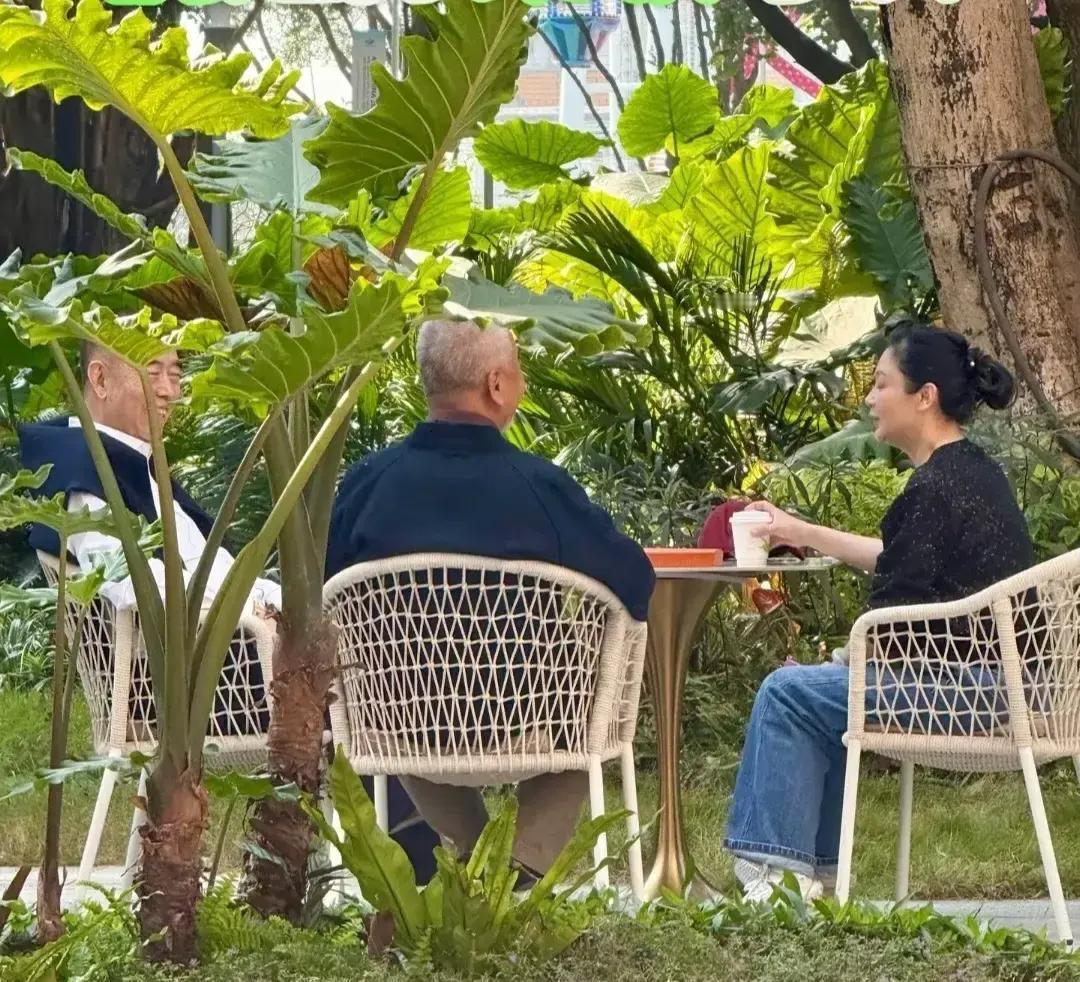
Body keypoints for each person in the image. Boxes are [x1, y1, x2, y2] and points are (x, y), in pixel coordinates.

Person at [326, 318, 655, 882]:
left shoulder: (366, 484)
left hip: (400, 715)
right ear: (496, 385)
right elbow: (634, 580)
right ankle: (519, 865)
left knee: (390, 689)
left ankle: (479, 864)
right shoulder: (538, 487)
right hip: (525, 713)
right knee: (591, 700)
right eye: (518, 370)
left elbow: (318, 588)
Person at [724, 320, 1035, 902]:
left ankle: (774, 878)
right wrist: (800, 531)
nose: (869, 397)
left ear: (925, 396)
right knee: (821, 693)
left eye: (881, 383)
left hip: (974, 692)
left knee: (787, 693)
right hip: (1014, 684)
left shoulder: (935, 488)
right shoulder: (970, 473)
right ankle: (807, 875)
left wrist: (846, 658)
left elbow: (893, 624)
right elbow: (902, 562)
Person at [19, 342, 281, 736]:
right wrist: (254, 610)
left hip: (222, 657)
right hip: (175, 688)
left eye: (174, 375)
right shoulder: (84, 473)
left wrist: (283, 603)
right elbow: (133, 583)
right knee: (351, 688)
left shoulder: (135, 464)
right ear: (100, 379)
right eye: (152, 372)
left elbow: (214, 567)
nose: (169, 392)